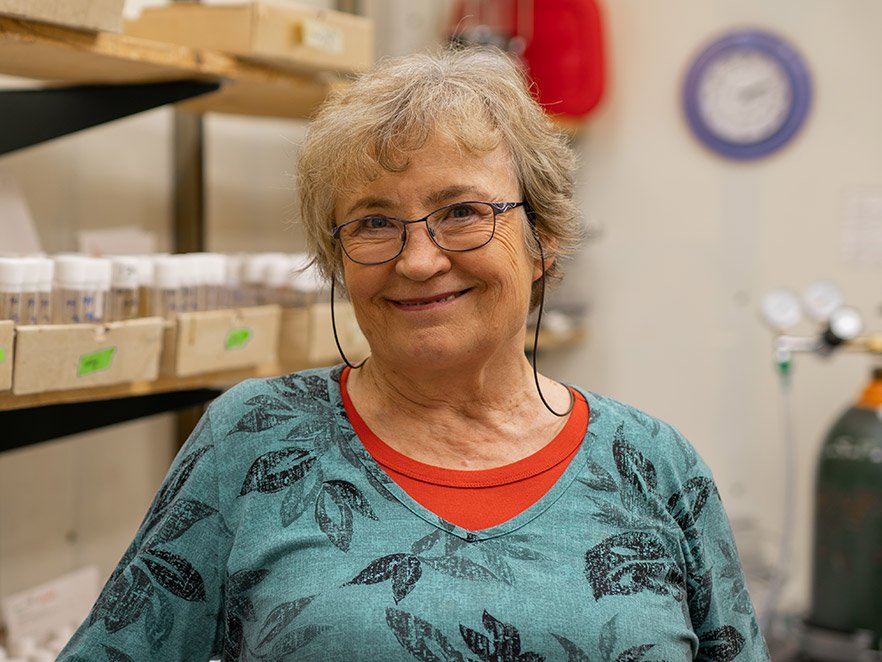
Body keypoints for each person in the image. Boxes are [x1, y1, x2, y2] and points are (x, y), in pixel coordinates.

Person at [60, 47, 769, 661]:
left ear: (543, 238)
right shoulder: (252, 443)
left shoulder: (651, 462)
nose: (420, 260)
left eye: (462, 213)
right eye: (374, 222)